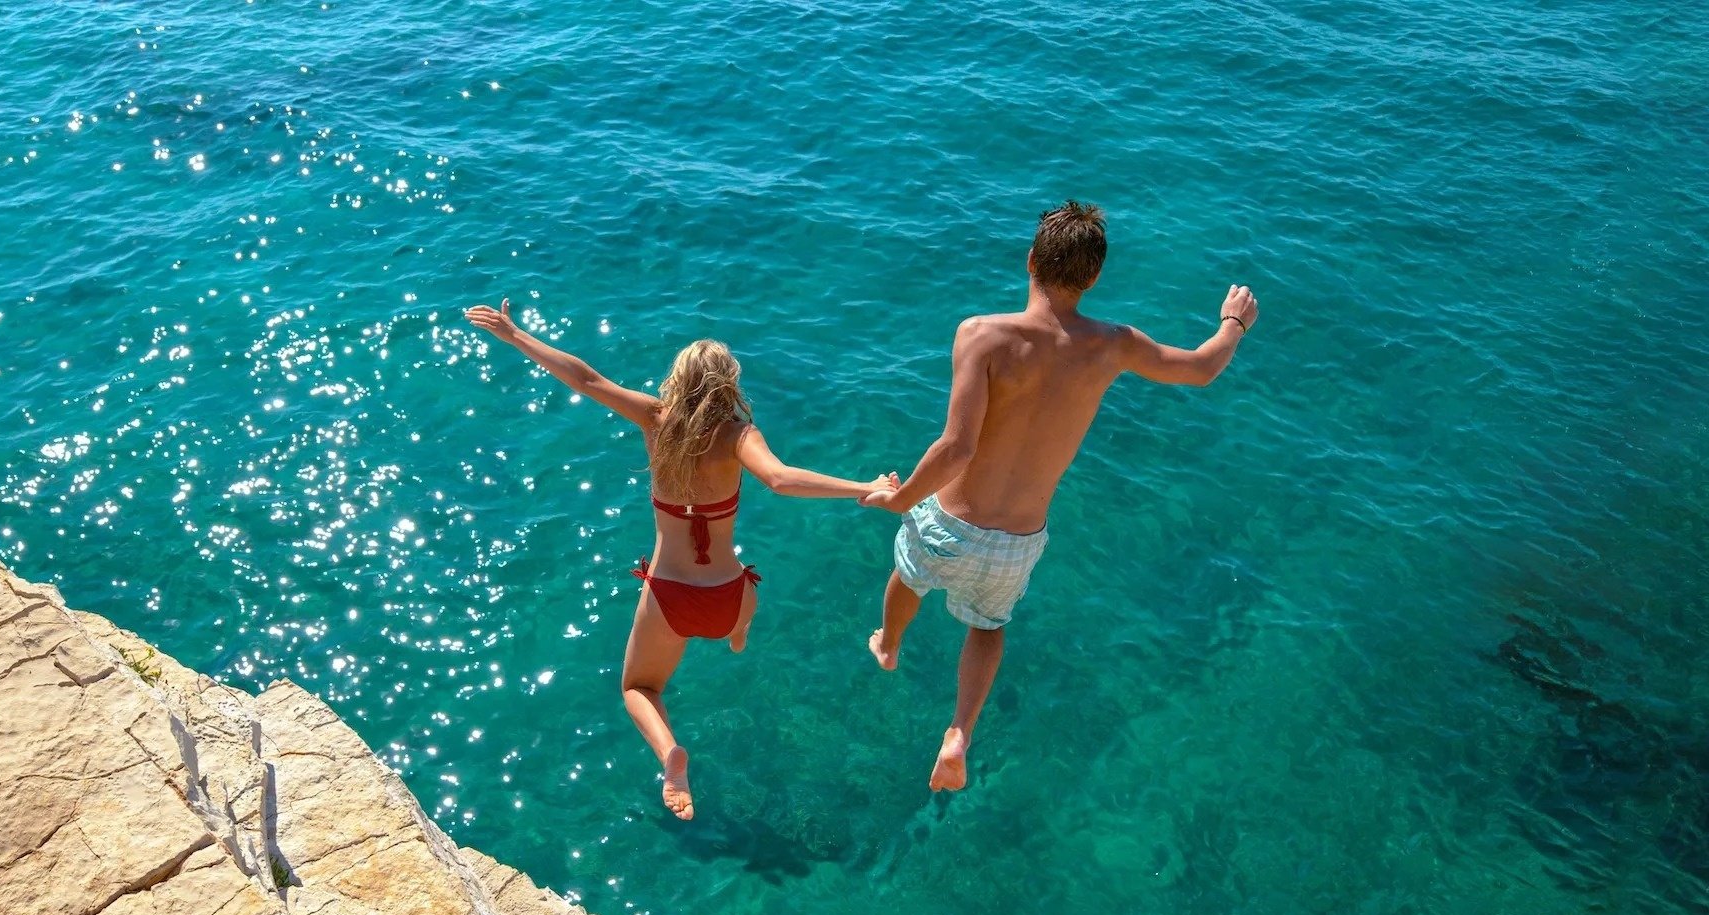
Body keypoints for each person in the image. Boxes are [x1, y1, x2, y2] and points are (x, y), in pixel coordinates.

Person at [860, 201, 1258, 792]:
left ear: (1030, 261)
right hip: (1019, 539)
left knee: (907, 574)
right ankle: (960, 732)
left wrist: (902, 498)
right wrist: (1233, 323)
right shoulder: (1113, 344)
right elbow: (1200, 368)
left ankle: (889, 645)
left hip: (951, 521)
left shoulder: (983, 334)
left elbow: (956, 447)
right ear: (1093, 278)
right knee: (988, 628)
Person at [466, 300, 895, 820]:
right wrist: (864, 488)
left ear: (680, 379)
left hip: (670, 597)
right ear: (727, 385)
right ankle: (738, 636)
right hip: (729, 598)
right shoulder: (739, 435)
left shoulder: (654, 419)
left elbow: (586, 379)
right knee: (746, 582)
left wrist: (516, 336)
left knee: (637, 688)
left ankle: (671, 755)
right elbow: (782, 480)